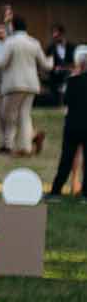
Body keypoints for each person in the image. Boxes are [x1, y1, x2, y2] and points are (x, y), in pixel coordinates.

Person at [0, 16, 52, 155]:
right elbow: (45, 64)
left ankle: (8, 145)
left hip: (14, 84)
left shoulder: (10, 42)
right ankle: (25, 147)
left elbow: (3, 62)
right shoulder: (34, 42)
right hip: (32, 84)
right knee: (24, 115)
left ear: (13, 27)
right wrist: (52, 61)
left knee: (8, 115)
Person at [50, 45, 87, 194]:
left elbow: (66, 101)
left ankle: (56, 190)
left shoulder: (72, 81)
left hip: (72, 125)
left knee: (66, 160)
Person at [46, 24, 71, 106]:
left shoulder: (71, 47)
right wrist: (54, 68)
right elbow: (48, 63)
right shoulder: (50, 48)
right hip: (55, 78)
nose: (55, 36)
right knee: (56, 100)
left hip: (69, 77)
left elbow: (75, 62)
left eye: (57, 34)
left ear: (62, 34)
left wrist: (66, 68)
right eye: (53, 34)